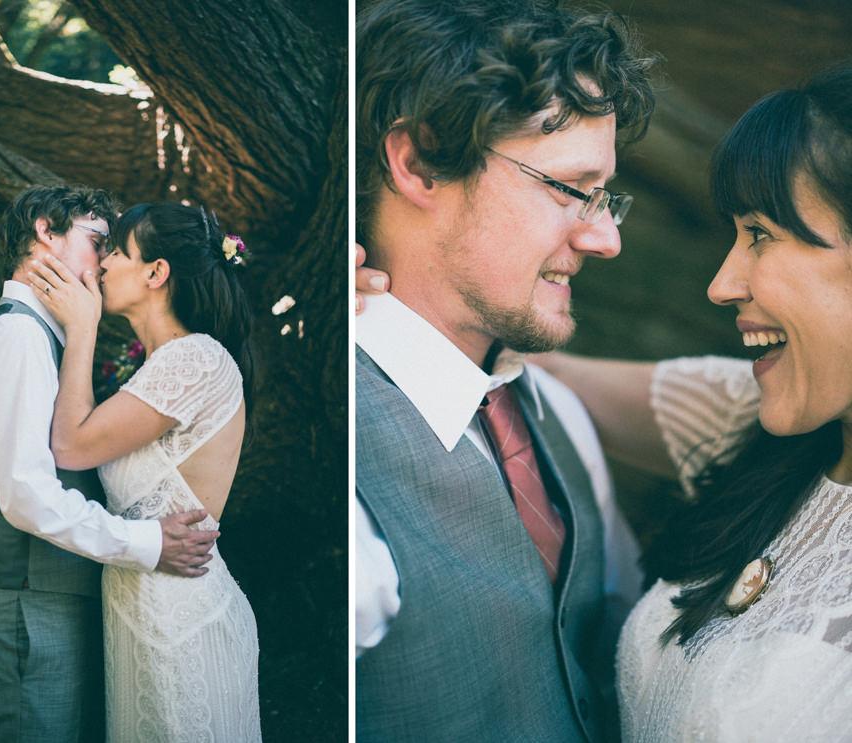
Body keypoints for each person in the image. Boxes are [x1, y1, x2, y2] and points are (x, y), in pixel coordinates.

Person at [354, 1, 655, 740]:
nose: (605, 237)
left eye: (605, 193)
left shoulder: (557, 417)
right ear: (421, 161)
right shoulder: (347, 461)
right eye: (566, 187)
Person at [530, 62, 852, 741]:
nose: (722, 284)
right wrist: (390, 304)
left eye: (759, 233)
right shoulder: (749, 415)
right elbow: (531, 369)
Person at [0, 185, 217, 742]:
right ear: (44, 233)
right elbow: (27, 494)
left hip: (56, 596)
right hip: (30, 600)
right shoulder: (19, 338)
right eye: (96, 240)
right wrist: (146, 543)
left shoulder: (48, 337)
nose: (104, 260)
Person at [28, 202, 261, 742]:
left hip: (178, 622)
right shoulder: (164, 365)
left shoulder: (196, 359)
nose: (102, 263)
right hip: (144, 611)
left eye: (118, 251)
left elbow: (70, 444)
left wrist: (81, 328)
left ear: (157, 273)